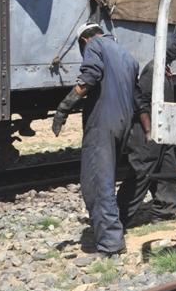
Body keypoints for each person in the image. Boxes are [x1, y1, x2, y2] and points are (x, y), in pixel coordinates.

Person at [52, 21, 138, 258]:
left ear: (84, 41)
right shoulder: (126, 53)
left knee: (97, 183)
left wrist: (63, 108)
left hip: (102, 122)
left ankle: (110, 243)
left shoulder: (95, 45)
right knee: (106, 179)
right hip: (123, 122)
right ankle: (110, 234)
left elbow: (89, 76)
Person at [116, 32, 176, 227]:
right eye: (175, 47)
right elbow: (141, 103)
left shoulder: (165, 70)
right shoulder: (152, 71)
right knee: (140, 174)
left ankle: (164, 212)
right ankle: (119, 217)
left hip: (163, 132)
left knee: (168, 168)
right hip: (148, 132)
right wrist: (148, 131)